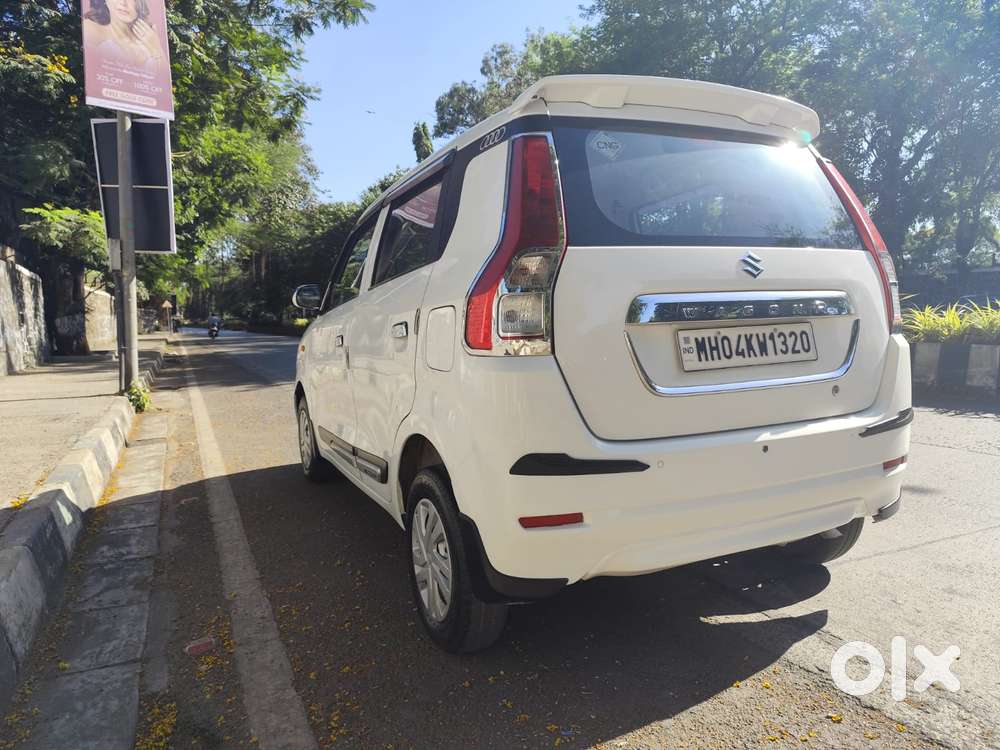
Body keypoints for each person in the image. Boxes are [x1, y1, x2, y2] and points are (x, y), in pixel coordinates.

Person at [83, 0, 165, 71]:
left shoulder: (150, 37)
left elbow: (163, 76)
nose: (123, 3)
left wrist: (157, 49)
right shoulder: (91, 28)